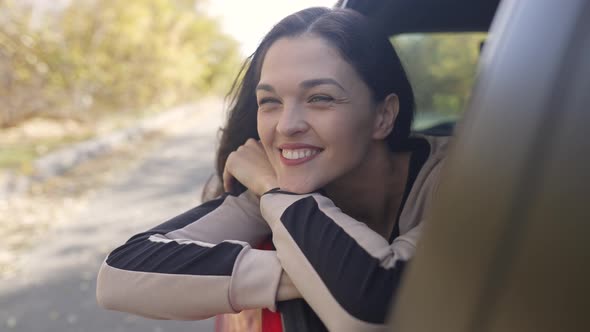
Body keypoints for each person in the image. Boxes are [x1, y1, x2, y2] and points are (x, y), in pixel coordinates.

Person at [96, 6, 448, 332]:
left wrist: (275, 195)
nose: (286, 126)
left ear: (383, 116)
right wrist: (310, 270)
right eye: (270, 102)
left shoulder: (466, 182)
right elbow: (119, 276)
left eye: (320, 98)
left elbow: (370, 305)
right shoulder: (277, 188)